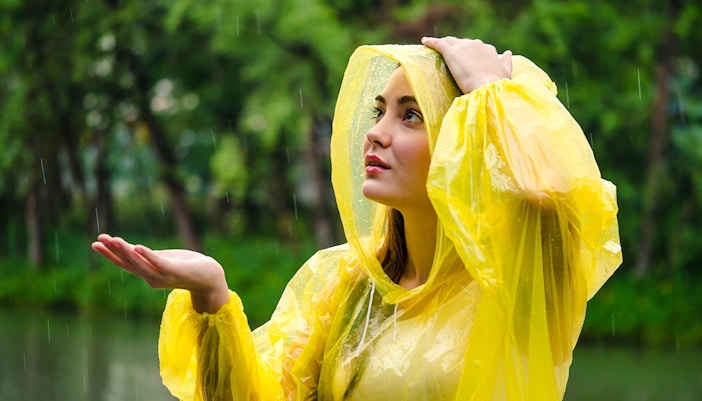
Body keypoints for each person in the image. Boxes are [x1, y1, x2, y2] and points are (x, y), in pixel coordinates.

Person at [92, 36, 622, 400]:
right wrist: (211, 297)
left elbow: (553, 193)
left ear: (463, 141)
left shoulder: (520, 278)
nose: (376, 132)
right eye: (379, 111)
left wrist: (491, 91)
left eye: (411, 115)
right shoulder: (346, 284)